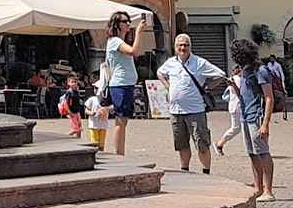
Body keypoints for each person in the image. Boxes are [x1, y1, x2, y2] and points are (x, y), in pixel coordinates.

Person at [156, 34, 226, 175]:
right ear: (175, 47)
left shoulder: (199, 63)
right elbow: (160, 73)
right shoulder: (170, 62)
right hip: (176, 111)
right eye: (180, 45)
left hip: (196, 110)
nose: (183, 48)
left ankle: (206, 173)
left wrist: (209, 86)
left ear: (190, 46)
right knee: (181, 144)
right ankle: (185, 172)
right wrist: (168, 86)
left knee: (202, 144)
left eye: (186, 45)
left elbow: (221, 74)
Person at [231, 39, 275, 201]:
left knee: (263, 153)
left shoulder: (261, 71)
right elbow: (243, 96)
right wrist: (233, 85)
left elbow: (269, 98)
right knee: (252, 154)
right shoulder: (246, 71)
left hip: (256, 117)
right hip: (245, 116)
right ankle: (258, 188)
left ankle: (268, 191)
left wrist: (265, 124)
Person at [103, 10, 147, 156]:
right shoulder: (115, 41)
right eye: (124, 21)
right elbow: (134, 51)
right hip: (120, 85)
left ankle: (120, 153)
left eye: (129, 21)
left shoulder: (118, 41)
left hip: (125, 84)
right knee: (121, 121)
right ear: (117, 24)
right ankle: (119, 154)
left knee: (123, 121)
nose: (128, 23)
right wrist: (139, 32)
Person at [214, 65, 246, 156]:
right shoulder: (237, 79)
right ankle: (219, 144)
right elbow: (240, 93)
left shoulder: (235, 78)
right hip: (237, 106)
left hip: (236, 106)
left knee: (239, 128)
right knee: (236, 128)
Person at [83, 85, 110, 150]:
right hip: (93, 125)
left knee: (101, 145)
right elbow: (86, 110)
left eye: (97, 88)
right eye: (95, 88)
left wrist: (107, 110)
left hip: (103, 125)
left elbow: (110, 109)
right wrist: (91, 113)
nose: (96, 90)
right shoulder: (92, 99)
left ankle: (101, 155)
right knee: (94, 143)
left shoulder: (106, 100)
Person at [59, 74, 85, 138]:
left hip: (77, 111)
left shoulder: (76, 91)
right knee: (75, 129)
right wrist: (69, 111)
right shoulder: (69, 92)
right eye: (72, 82)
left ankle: (78, 139)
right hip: (72, 111)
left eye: (75, 82)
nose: (74, 83)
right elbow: (66, 103)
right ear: (68, 83)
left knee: (79, 127)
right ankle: (64, 137)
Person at [266, 55, 289, 121]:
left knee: (282, 92)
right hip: (271, 80)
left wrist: (282, 81)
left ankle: (283, 110)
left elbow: (281, 73)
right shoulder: (269, 64)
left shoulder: (278, 65)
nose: (271, 59)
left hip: (277, 80)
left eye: (272, 58)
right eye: (270, 58)